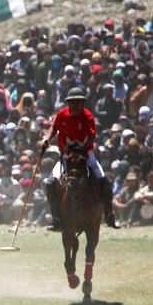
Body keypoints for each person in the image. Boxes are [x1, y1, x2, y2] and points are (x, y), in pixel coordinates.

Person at [42, 88, 119, 230]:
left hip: (85, 154)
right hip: (66, 156)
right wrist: (47, 139)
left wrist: (82, 146)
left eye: (78, 102)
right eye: (72, 102)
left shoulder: (88, 116)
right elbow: (54, 128)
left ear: (83, 103)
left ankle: (109, 214)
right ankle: (56, 218)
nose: (75, 105)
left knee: (104, 180)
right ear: (68, 103)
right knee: (51, 183)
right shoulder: (62, 114)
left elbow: (91, 135)